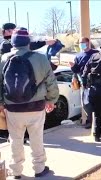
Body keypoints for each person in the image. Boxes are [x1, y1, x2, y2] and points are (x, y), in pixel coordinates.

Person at [0, 28, 59, 179]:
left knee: (15, 140)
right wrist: (51, 100)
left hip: (12, 108)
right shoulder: (40, 58)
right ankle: (39, 168)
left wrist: (1, 103)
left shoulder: (4, 58)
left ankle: (16, 171)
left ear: (13, 42)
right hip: (36, 107)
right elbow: (51, 81)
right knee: (36, 138)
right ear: (28, 42)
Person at [69, 37, 99, 129]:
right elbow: (77, 70)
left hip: (95, 82)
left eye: (83, 42)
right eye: (80, 43)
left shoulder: (96, 53)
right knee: (86, 103)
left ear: (88, 43)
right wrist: (73, 66)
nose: (82, 44)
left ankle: (97, 122)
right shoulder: (78, 56)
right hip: (84, 83)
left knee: (96, 103)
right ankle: (90, 121)